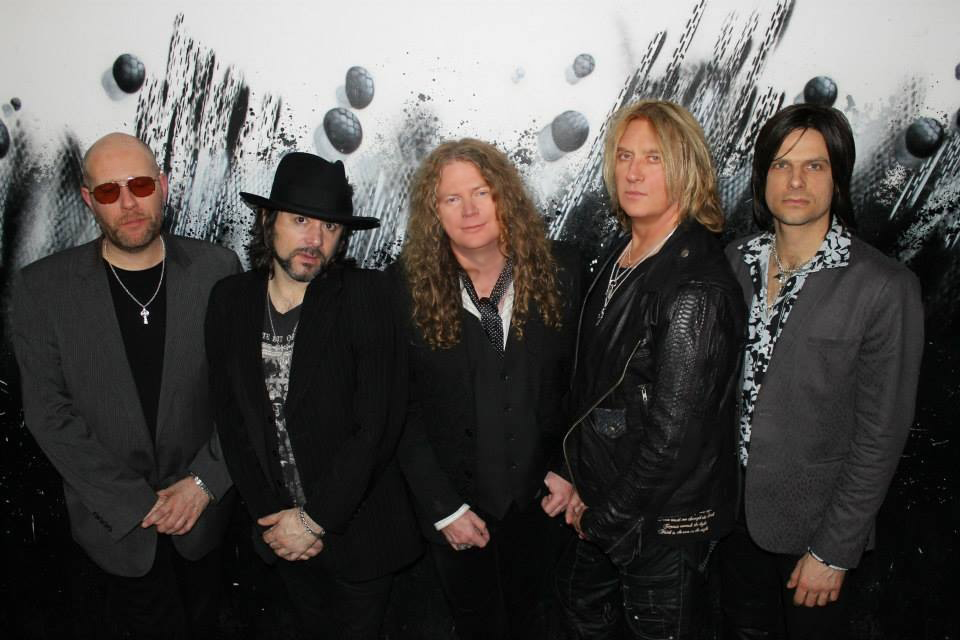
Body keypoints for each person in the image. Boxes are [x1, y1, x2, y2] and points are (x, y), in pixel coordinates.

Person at [9, 132, 240, 638]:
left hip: (206, 525)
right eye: (109, 191)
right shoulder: (42, 289)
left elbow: (241, 395)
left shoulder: (218, 271)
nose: (129, 203)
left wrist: (204, 483)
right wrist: (136, 504)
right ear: (88, 200)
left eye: (140, 185)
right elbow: (49, 414)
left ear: (163, 186)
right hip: (108, 534)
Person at [719, 104, 924, 639]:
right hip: (727, 525)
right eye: (781, 165)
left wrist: (834, 550)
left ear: (839, 177)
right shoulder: (733, 263)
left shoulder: (883, 286)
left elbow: (881, 435)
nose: (795, 181)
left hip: (813, 537)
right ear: (762, 176)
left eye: (814, 166)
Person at [205, 152, 421, 639]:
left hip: (360, 534)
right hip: (278, 533)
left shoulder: (367, 295)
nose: (315, 240)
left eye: (330, 226)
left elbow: (376, 425)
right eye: (300, 220)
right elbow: (231, 420)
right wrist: (275, 523)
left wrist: (314, 521)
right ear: (268, 220)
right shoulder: (229, 300)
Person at [558, 100, 745, 638]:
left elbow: (674, 440)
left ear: (687, 169)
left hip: (660, 527)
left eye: (654, 158)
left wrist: (604, 517)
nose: (634, 172)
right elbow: (597, 390)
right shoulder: (624, 252)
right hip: (608, 503)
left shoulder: (695, 289)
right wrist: (575, 479)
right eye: (624, 156)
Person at [394, 138, 581, 639]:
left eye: (481, 192)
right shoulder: (403, 291)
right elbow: (400, 411)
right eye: (452, 198)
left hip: (544, 508)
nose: (470, 210)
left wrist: (570, 469)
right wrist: (444, 509)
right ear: (434, 213)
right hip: (457, 514)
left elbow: (585, 384)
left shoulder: (563, 272)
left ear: (505, 196)